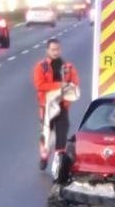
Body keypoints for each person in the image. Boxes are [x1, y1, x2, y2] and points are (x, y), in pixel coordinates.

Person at [32, 38, 80, 171]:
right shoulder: (41, 67)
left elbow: (75, 84)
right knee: (46, 132)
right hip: (46, 106)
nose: (55, 52)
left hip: (62, 105)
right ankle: (44, 156)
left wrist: (68, 96)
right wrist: (59, 85)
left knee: (62, 132)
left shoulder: (68, 67)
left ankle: (59, 161)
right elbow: (40, 85)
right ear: (47, 50)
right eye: (53, 49)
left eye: (57, 49)